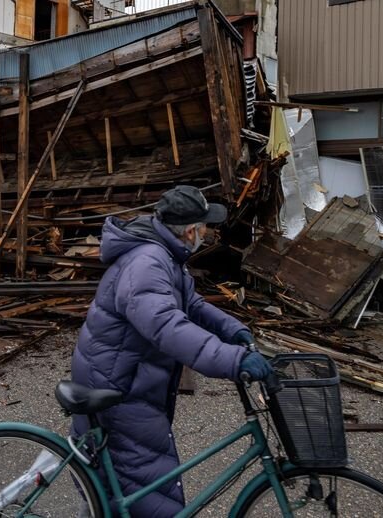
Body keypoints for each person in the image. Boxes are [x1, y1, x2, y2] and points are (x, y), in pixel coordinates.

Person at [70, 185, 273, 518]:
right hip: (118, 390)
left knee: (123, 489)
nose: (207, 234)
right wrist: (233, 360)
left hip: (126, 379)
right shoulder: (147, 263)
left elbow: (189, 305)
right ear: (191, 230)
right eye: (205, 227)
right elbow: (166, 326)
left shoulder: (166, 254)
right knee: (149, 493)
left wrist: (232, 329)